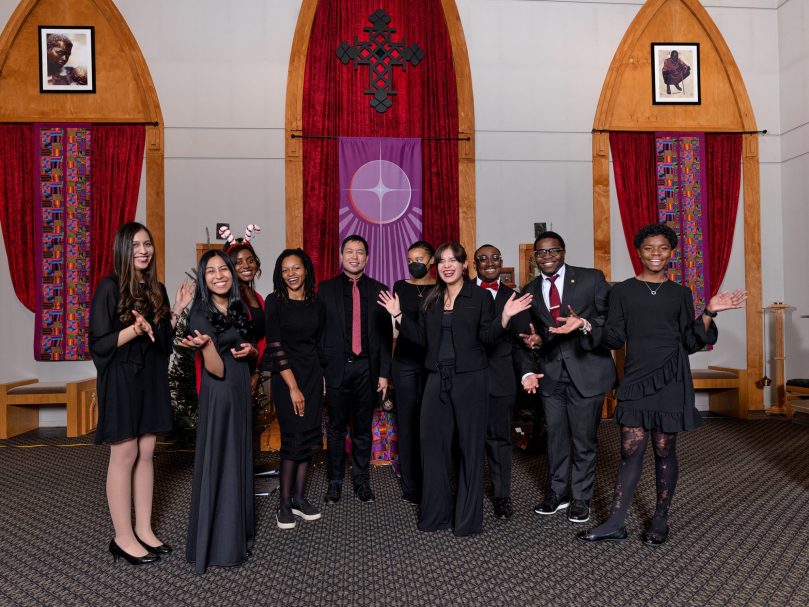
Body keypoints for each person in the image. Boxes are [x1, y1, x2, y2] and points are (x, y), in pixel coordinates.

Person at [576, 223, 746, 545]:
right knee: (630, 450)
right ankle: (615, 522)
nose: (656, 254)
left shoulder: (680, 293)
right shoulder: (622, 291)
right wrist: (585, 325)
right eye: (649, 248)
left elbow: (690, 340)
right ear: (638, 252)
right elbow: (613, 336)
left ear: (672, 252)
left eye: (663, 248)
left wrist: (709, 311)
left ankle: (660, 519)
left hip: (671, 375)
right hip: (637, 376)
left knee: (664, 448)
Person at [378, 242, 533, 536]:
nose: (447, 265)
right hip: (436, 378)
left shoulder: (479, 296)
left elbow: (488, 337)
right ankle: (436, 515)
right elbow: (424, 339)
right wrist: (399, 316)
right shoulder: (433, 298)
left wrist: (504, 318)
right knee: (433, 446)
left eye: (453, 260)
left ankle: (466, 520)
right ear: (437, 267)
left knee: (469, 448)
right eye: (442, 261)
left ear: (464, 265)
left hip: (471, 379)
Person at [89, 222, 194, 565]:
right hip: (120, 378)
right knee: (125, 453)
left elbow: (164, 346)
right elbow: (99, 344)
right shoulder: (109, 287)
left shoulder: (157, 289)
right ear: (123, 249)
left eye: (147, 244)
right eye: (136, 245)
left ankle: (145, 530)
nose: (144, 250)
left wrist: (176, 310)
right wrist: (133, 330)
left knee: (147, 450)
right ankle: (122, 537)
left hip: (150, 378)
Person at [520, 231, 616, 524]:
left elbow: (610, 321)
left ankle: (581, 499)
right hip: (551, 373)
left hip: (586, 370)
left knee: (583, 440)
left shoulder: (591, 278)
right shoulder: (531, 289)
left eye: (553, 251)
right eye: (541, 253)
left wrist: (584, 323)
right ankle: (558, 493)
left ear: (563, 252)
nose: (547, 257)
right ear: (535, 257)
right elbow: (535, 332)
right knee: (556, 437)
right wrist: (535, 343)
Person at [182, 250, 257, 574]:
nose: (219, 275)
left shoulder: (237, 306)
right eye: (210, 271)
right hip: (221, 390)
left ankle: (237, 534)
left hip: (239, 387)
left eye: (223, 269)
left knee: (238, 459)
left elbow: (247, 349)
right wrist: (210, 348)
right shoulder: (200, 313)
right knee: (222, 461)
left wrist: (251, 350)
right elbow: (214, 369)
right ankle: (221, 546)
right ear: (203, 277)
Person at [318, 235, 393, 504]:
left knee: (363, 430)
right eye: (349, 251)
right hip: (336, 369)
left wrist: (384, 373)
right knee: (336, 429)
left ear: (367, 258)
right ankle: (335, 483)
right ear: (341, 256)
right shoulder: (324, 290)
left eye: (360, 252)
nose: (354, 256)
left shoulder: (380, 290)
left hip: (367, 370)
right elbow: (319, 333)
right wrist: (321, 373)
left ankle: (362, 482)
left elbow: (385, 337)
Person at [263, 249, 325, 529]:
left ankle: (300, 499)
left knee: (309, 438)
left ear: (306, 270)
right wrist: (293, 387)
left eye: (296, 268)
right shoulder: (274, 302)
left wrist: (320, 378)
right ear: (280, 274)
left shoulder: (315, 300)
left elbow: (319, 342)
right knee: (292, 439)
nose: (292, 274)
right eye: (286, 269)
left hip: (312, 375)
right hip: (287, 377)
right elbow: (275, 346)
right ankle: (284, 504)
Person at [474, 244, 529, 520]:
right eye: (482, 259)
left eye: (495, 257)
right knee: (466, 440)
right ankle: (467, 495)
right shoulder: (461, 292)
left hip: (501, 380)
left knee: (499, 441)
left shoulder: (514, 298)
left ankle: (501, 496)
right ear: (474, 265)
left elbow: (521, 345)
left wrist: (526, 373)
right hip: (468, 380)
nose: (489, 262)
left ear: (502, 262)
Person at [390, 240, 436, 504]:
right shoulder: (400, 287)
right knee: (406, 422)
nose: (413, 263)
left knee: (430, 422)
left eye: (419, 258)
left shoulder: (442, 287)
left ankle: (432, 477)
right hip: (405, 362)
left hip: (431, 363)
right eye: (409, 259)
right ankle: (410, 484)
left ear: (431, 261)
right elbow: (394, 326)